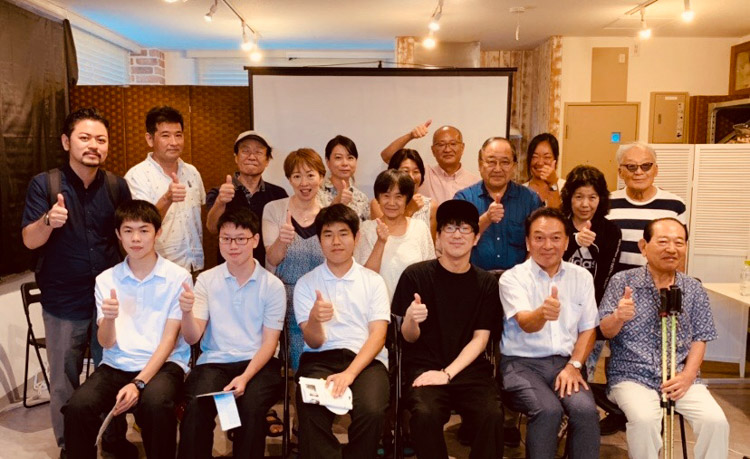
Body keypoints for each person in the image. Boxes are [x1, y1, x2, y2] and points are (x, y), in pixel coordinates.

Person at [21, 107, 132, 457]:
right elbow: (29, 240)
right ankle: (71, 445)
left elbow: (130, 233)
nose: (93, 145)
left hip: (108, 301)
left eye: (101, 139)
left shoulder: (116, 186)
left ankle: (113, 437)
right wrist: (48, 221)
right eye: (85, 137)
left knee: (112, 370)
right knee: (63, 379)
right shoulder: (45, 184)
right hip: (63, 300)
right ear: (67, 142)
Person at [62, 200, 191, 459]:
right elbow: (106, 343)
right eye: (128, 231)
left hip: (164, 364)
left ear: (157, 232)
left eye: (144, 230)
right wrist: (109, 319)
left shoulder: (178, 277)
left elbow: (169, 340)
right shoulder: (106, 279)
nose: (136, 238)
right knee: (78, 406)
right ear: (118, 234)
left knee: (156, 404)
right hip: (116, 363)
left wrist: (138, 383)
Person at [599, 218, 729, 459]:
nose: (672, 249)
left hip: (681, 376)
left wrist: (687, 376)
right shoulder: (622, 281)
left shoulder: (693, 289)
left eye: (679, 242)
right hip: (631, 376)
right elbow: (605, 331)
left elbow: (700, 338)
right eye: (663, 242)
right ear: (643, 246)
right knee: (645, 420)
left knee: (715, 421)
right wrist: (618, 316)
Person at [392, 199, 504, 459]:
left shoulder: (486, 283)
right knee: (425, 413)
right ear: (438, 237)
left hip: (469, 369)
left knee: (492, 414)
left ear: (476, 238)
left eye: (465, 229)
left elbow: (481, 339)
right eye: (450, 228)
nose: (457, 235)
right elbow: (408, 338)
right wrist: (411, 320)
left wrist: (447, 373)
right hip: (424, 367)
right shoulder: (415, 276)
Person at [178, 208, 286, 459]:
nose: (233, 245)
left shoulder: (272, 285)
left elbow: (269, 344)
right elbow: (193, 338)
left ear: (255, 240)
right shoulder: (206, 280)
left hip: (258, 363)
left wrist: (245, 377)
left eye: (240, 239)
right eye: (226, 239)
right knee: (196, 406)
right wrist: (186, 312)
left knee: (251, 408)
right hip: (214, 362)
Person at [499, 207, 600, 459]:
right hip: (521, 365)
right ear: (527, 242)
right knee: (548, 411)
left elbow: (589, 328)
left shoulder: (582, 277)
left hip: (565, 364)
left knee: (586, 411)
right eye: (539, 237)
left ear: (566, 242)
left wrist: (574, 365)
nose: (547, 245)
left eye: (555, 238)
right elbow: (525, 323)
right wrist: (542, 314)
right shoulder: (512, 278)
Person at [293, 204, 391, 459]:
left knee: (372, 410)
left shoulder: (373, 281)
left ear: (357, 238)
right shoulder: (306, 283)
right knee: (310, 408)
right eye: (328, 234)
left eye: (343, 233)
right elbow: (313, 342)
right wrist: (315, 319)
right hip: (319, 359)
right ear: (319, 241)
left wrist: (350, 373)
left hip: (366, 361)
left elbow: (378, 336)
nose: (336, 242)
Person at [262, 148, 326, 372]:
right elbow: (272, 258)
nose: (304, 183)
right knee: (299, 362)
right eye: (297, 176)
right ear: (289, 179)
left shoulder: (329, 213)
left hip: (321, 297)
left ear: (321, 177)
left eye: (310, 175)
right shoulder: (274, 209)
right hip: (286, 297)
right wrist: (282, 239)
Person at [124, 106, 206, 273]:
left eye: (178, 135)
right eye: (165, 135)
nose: (174, 142)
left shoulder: (192, 172)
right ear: (149, 139)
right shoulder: (136, 176)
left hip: (195, 267)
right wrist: (167, 199)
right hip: (158, 270)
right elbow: (139, 225)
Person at [560, 165, 622, 380]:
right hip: (558, 309)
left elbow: (607, 277)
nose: (585, 204)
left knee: (585, 372)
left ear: (601, 199)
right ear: (569, 197)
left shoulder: (611, 231)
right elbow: (546, 262)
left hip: (591, 312)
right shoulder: (558, 225)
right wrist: (574, 242)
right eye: (578, 197)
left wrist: (592, 247)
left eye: (592, 197)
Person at [454, 137, 542, 273]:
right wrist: (486, 218)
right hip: (473, 278)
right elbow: (457, 241)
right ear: (480, 165)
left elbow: (539, 242)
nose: (497, 169)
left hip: (518, 279)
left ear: (514, 166)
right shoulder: (464, 198)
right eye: (491, 162)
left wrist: (524, 276)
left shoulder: (530, 199)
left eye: (505, 162)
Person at [205, 130, 288, 267]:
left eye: (258, 152)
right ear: (236, 157)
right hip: (230, 270)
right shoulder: (219, 192)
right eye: (245, 151)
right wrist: (220, 202)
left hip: (267, 270)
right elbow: (212, 228)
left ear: (267, 160)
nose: (251, 157)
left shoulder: (278, 194)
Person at [355, 169, 434, 299]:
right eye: (386, 196)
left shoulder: (420, 228)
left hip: (413, 307)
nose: (392, 203)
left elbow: (429, 275)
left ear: (407, 199)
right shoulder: (367, 229)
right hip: (377, 306)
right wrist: (380, 242)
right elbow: (364, 277)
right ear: (378, 198)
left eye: (399, 197)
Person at [608, 142, 686, 272]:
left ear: (656, 170)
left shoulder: (675, 204)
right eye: (631, 166)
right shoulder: (607, 202)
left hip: (658, 281)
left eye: (646, 166)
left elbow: (679, 253)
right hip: (615, 281)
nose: (639, 172)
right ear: (620, 172)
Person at [380, 121, 479, 204]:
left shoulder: (475, 183)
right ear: (433, 150)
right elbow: (387, 157)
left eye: (453, 144)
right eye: (441, 144)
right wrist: (410, 136)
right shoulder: (421, 174)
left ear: (462, 148)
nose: (447, 149)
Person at [370, 148, 437, 240]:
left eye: (416, 172)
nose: (411, 177)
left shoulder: (430, 206)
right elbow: (385, 238)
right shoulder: (379, 203)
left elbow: (430, 244)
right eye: (405, 171)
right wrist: (409, 211)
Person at [317, 135, 370, 221]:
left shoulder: (361, 198)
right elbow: (317, 226)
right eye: (338, 158)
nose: (345, 163)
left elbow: (366, 227)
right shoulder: (317, 194)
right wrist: (335, 204)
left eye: (350, 158)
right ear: (327, 161)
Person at [523, 133, 564, 208]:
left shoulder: (566, 187)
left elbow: (556, 214)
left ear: (556, 159)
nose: (540, 163)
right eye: (535, 157)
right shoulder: (522, 190)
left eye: (547, 157)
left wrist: (553, 184)